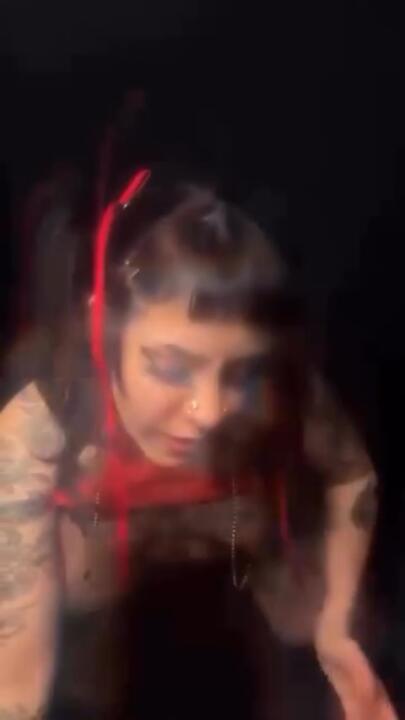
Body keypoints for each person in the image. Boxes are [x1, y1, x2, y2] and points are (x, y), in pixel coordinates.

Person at [0, 166, 397, 720]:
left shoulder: (281, 386)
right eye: (170, 367)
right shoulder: (38, 419)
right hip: (102, 568)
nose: (209, 412)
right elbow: (16, 679)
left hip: (237, 551)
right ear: (102, 329)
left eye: (239, 373)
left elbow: (352, 475)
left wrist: (336, 625)